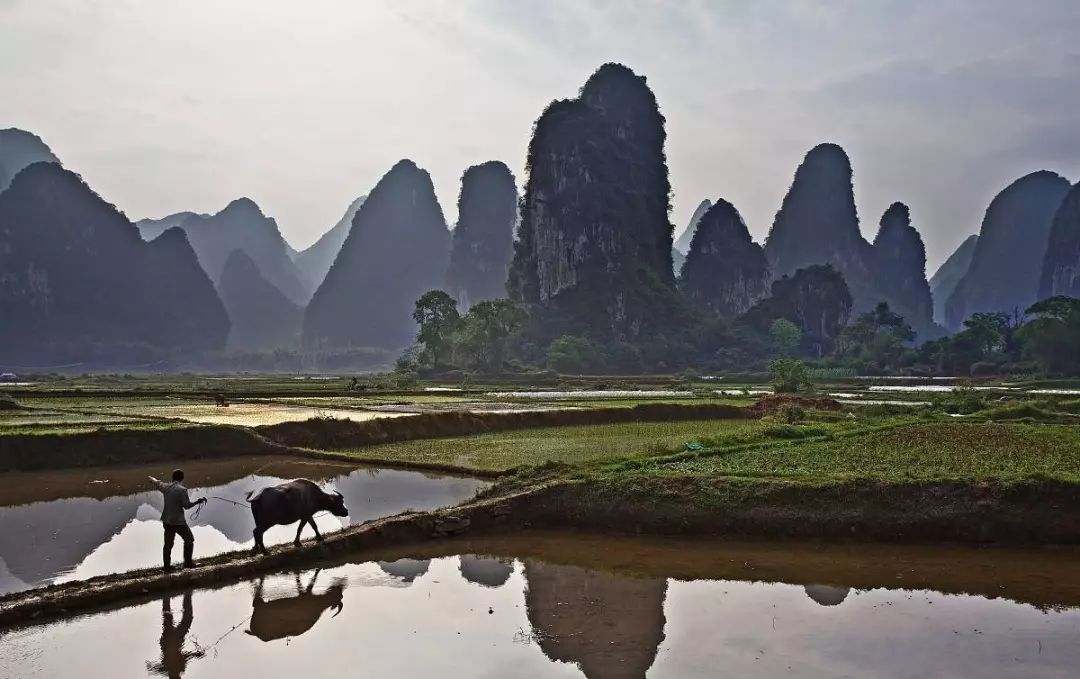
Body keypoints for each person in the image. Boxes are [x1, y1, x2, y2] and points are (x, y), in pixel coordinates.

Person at [149, 469, 206, 571]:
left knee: (168, 545)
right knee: (189, 540)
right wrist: (198, 501)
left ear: (173, 478)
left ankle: (167, 567)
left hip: (167, 521)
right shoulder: (182, 490)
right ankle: (188, 563)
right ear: (182, 478)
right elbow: (187, 506)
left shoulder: (166, 487)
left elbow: (156, 482)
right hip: (178, 522)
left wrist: (151, 478)